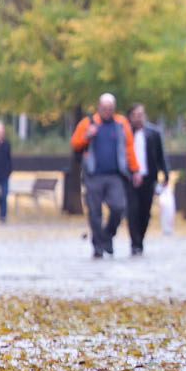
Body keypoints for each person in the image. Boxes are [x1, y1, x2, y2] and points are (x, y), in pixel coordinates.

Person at [70, 93, 139, 259]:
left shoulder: (121, 123)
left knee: (119, 207)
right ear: (98, 107)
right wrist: (87, 135)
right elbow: (75, 144)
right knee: (94, 213)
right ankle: (98, 247)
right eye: (104, 108)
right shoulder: (88, 123)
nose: (107, 111)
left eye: (110, 108)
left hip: (115, 175)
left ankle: (107, 236)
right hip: (94, 175)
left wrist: (135, 169)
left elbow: (129, 148)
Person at [117, 104, 170, 256]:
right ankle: (135, 243)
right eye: (136, 114)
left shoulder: (153, 133)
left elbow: (160, 156)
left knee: (145, 212)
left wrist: (165, 173)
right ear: (130, 116)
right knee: (132, 210)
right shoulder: (125, 133)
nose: (139, 117)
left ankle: (140, 239)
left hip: (148, 178)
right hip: (130, 178)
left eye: (141, 114)